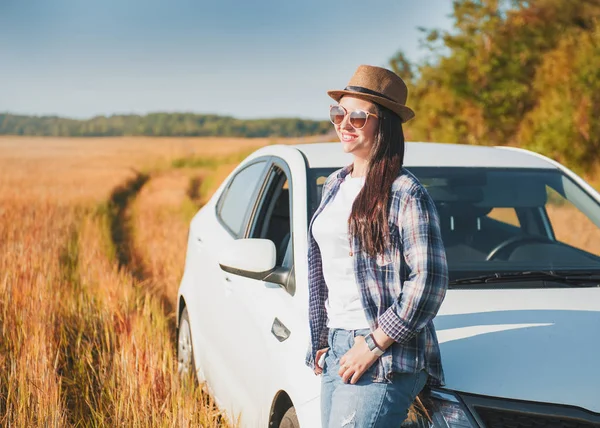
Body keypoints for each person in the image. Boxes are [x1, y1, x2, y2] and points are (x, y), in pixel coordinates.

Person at [305, 64, 449, 427]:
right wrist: (322, 339)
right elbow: (325, 269)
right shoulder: (335, 184)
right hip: (337, 344)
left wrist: (373, 344)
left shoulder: (405, 192)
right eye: (339, 114)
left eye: (357, 116)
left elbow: (428, 281)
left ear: (383, 124)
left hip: (381, 354)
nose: (344, 124)